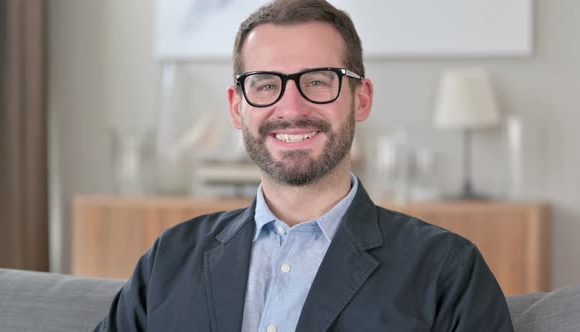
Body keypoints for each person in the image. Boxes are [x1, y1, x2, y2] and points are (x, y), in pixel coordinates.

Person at [95, 0, 514, 331]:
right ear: (237, 107)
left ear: (361, 98)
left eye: (317, 81)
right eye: (265, 85)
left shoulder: (446, 269)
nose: (291, 108)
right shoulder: (169, 259)